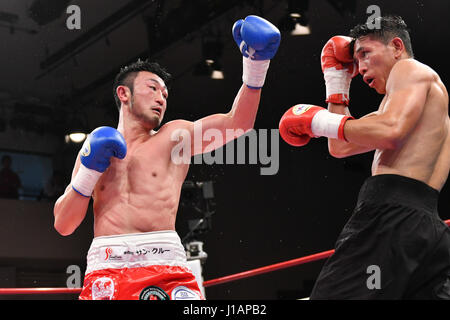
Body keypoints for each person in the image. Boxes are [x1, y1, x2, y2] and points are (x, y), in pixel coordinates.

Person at [53, 15, 280, 300]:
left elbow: (239, 123)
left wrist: (256, 65)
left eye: (165, 93)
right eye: (152, 88)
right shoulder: (95, 147)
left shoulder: (173, 138)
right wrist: (87, 175)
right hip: (107, 268)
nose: (162, 97)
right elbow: (64, 225)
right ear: (124, 93)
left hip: (164, 264)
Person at [279, 15, 450, 299]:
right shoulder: (409, 103)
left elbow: (390, 131)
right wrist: (337, 81)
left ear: (396, 47)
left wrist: (316, 121)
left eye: (365, 54)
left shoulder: (409, 69)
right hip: (424, 230)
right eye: (356, 62)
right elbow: (340, 147)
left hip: (389, 221)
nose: (361, 68)